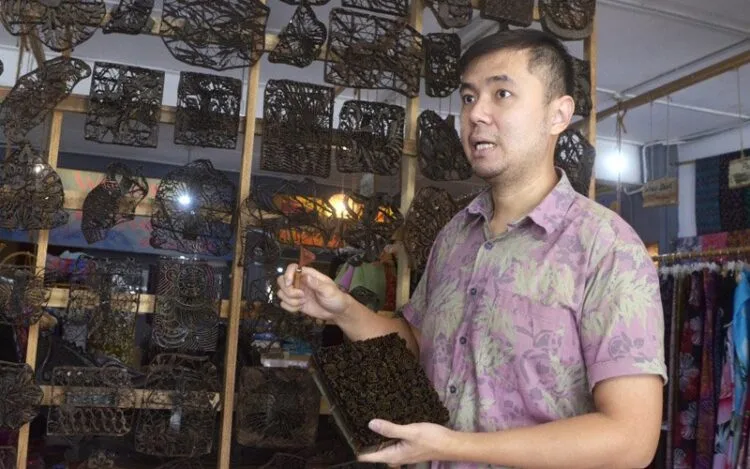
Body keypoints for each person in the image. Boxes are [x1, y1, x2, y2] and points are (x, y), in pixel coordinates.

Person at [277, 29, 667, 469]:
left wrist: (452, 446)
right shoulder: (455, 235)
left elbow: (630, 439)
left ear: (558, 114)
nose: (476, 114)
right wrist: (342, 309)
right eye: (468, 97)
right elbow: (419, 347)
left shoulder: (607, 248)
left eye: (502, 94)